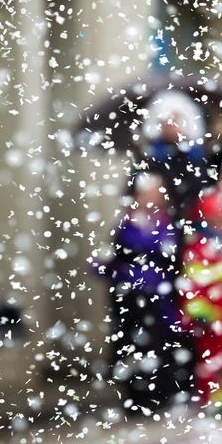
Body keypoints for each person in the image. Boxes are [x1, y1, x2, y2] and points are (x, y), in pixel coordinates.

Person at [96, 172, 190, 414]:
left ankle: (164, 392)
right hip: (132, 297)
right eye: (148, 191)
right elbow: (112, 258)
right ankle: (137, 397)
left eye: (157, 191)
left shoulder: (168, 223)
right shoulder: (127, 223)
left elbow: (176, 258)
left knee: (162, 343)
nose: (153, 196)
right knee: (133, 344)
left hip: (162, 296)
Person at [178, 188, 222, 407]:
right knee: (210, 356)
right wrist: (198, 308)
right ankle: (210, 398)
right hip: (211, 311)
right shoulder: (198, 245)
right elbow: (193, 279)